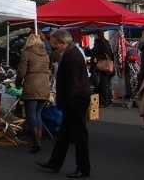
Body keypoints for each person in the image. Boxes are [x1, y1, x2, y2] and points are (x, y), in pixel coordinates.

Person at [37, 29, 92, 178]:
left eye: (55, 43)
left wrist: (66, 102)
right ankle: (55, 162)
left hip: (76, 101)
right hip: (75, 99)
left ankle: (83, 168)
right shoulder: (70, 53)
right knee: (65, 134)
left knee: (79, 135)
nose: (53, 46)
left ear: (64, 42)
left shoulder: (72, 56)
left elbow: (73, 84)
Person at [15, 34, 50, 154]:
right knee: (38, 113)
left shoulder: (27, 53)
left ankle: (36, 142)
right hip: (44, 86)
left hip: (32, 86)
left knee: (31, 115)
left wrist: (18, 83)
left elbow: (21, 72)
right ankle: (39, 137)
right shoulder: (45, 53)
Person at [93, 29, 114, 107]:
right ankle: (106, 100)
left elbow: (107, 54)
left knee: (103, 84)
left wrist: (97, 58)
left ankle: (105, 101)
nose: (93, 36)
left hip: (103, 67)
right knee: (103, 84)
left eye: (94, 35)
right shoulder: (102, 42)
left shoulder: (102, 43)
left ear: (97, 35)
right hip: (102, 66)